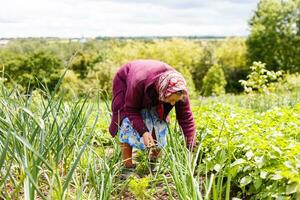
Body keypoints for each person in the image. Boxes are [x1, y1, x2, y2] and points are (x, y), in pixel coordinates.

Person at [109, 59, 196, 169]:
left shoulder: (180, 90)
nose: (173, 103)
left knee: (159, 121)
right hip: (128, 81)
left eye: (176, 101)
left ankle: (154, 161)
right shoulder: (138, 81)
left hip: (153, 85)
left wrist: (191, 147)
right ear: (163, 93)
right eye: (171, 100)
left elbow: (186, 119)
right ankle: (128, 165)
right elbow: (131, 109)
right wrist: (144, 132)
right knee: (127, 122)